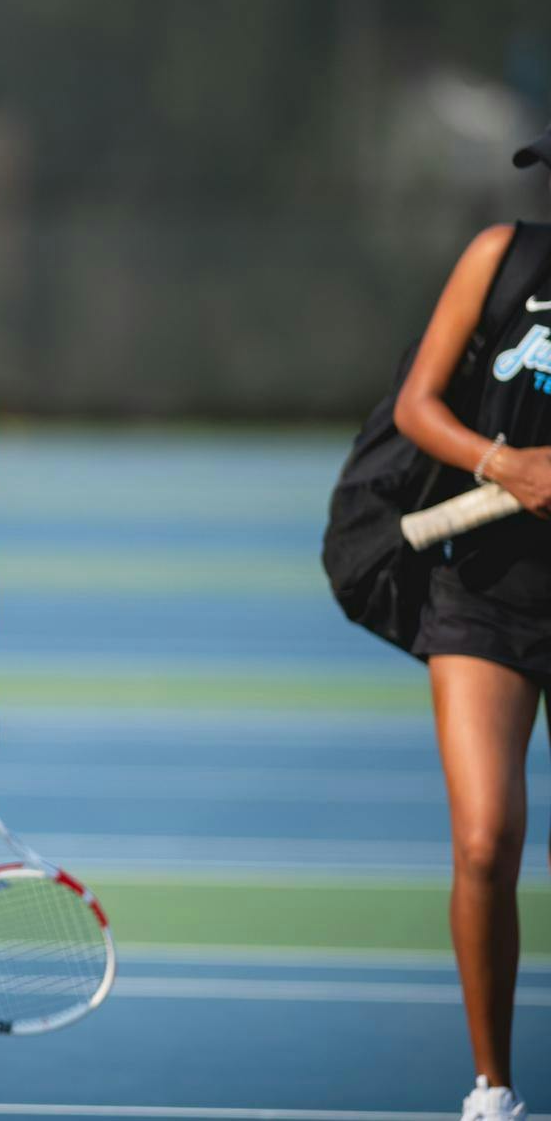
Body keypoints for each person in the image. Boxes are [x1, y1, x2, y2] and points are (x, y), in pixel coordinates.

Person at [392, 123, 551, 1121]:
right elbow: (414, 405)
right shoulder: (501, 256)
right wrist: (507, 464)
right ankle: (491, 1084)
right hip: (484, 589)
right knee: (485, 840)